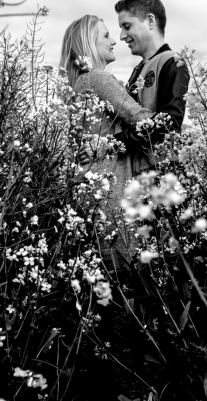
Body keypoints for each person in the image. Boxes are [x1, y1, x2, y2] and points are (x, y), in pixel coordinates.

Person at [60, 15, 152, 281]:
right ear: (89, 43)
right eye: (106, 36)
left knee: (99, 275)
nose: (114, 41)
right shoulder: (99, 79)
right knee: (126, 274)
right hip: (112, 188)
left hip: (89, 188)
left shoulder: (78, 84)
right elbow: (143, 119)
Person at [113, 0, 190, 176]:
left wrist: (114, 143)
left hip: (162, 174)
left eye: (127, 26)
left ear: (150, 21)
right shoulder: (138, 70)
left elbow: (170, 121)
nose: (122, 36)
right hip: (137, 175)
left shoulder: (172, 61)